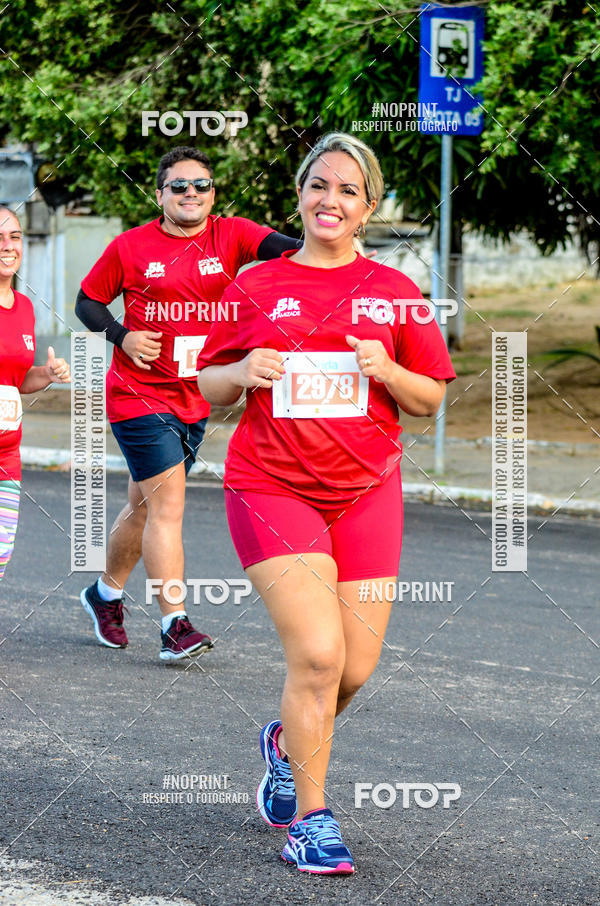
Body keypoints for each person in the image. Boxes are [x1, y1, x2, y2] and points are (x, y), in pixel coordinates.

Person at [197, 133, 456, 873]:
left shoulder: (395, 292)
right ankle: (311, 821)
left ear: (368, 206)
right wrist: (244, 368)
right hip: (272, 485)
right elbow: (208, 387)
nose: (329, 200)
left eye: (347, 189)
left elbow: (430, 399)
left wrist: (388, 370)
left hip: (368, 492)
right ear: (300, 195)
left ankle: (286, 745)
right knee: (316, 657)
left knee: (355, 668)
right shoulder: (255, 285)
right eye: (319, 185)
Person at [75, 146, 302, 661]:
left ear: (213, 194)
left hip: (195, 397)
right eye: (178, 186)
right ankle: (175, 624)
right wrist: (121, 334)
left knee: (142, 507)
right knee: (169, 507)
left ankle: (104, 594)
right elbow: (86, 301)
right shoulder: (131, 247)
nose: (190, 193)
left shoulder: (234, 234)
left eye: (200, 184)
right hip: (138, 396)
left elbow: (294, 250)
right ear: (160, 195)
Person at [0, 207, 71, 582]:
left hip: (7, 454)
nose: (8, 246)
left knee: (0, 553)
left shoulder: (25, 307)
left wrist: (45, 374)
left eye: (14, 237)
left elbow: (15, 378)